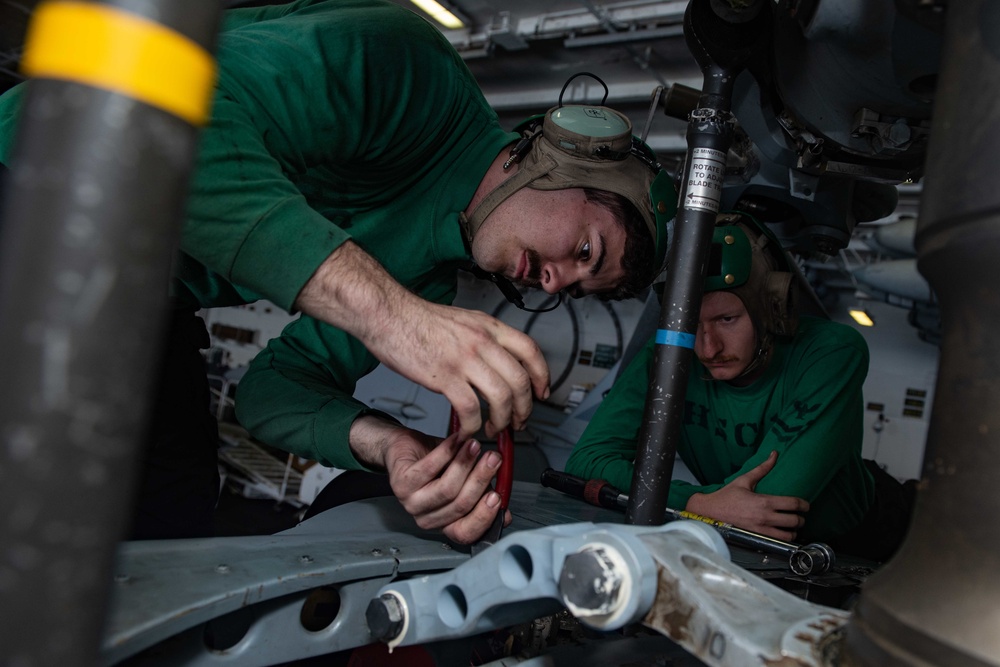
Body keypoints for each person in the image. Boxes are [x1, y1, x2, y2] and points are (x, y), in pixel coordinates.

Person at [0, 0, 675, 543]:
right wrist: (392, 318)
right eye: (584, 251)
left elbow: (274, 391)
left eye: (579, 289)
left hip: (142, 304)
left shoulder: (429, 280)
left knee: (166, 528)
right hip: (36, 187)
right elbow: (163, 109)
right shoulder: (406, 66)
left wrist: (394, 449)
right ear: (564, 156)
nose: (554, 282)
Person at [565, 213, 912, 561]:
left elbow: (767, 502)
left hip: (868, 535)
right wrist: (698, 503)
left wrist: (701, 507)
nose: (708, 348)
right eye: (690, 324)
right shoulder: (669, 356)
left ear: (770, 307)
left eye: (726, 319)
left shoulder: (832, 351)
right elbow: (585, 461)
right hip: (755, 542)